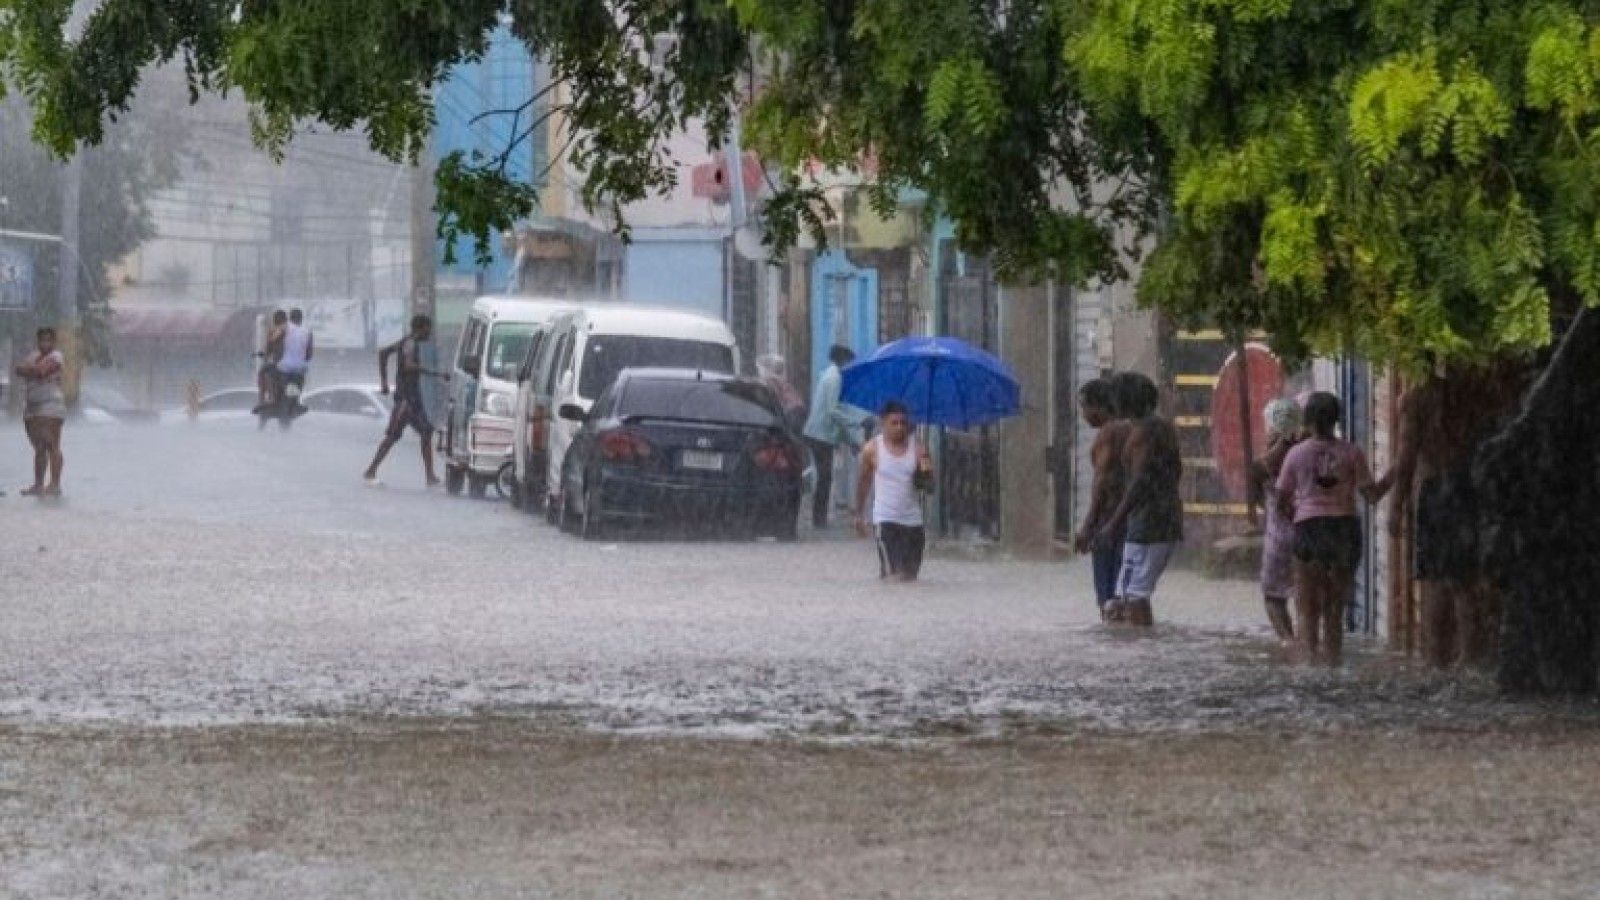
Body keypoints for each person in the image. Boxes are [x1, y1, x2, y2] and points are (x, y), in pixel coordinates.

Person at [1389, 362, 1525, 669]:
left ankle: (1438, 660)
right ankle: (1469, 658)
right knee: (1465, 580)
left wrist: (1396, 506)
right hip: (1471, 490)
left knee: (1438, 580)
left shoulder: (1418, 399)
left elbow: (1406, 457)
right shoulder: (1481, 397)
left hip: (1439, 492)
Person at [1276, 392, 1392, 665]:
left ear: (1308, 421)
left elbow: (1281, 500)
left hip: (1309, 528)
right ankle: (1333, 665)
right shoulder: (1351, 453)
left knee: (1308, 609)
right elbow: (1372, 495)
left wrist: (1299, 514)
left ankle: (1311, 666)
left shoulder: (1295, 454)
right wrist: (1397, 470)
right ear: (1336, 419)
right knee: (1335, 607)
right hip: (1343, 529)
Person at [1096, 371, 1183, 626]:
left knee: (1132, 595)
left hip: (1147, 525)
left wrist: (1113, 523)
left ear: (1126, 400)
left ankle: (1142, 654)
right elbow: (1174, 472)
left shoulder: (1145, 433)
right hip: (1163, 520)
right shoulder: (1162, 428)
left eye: (1115, 397)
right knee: (1132, 595)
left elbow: (1139, 482)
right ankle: (1144, 653)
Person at [855, 401, 934, 581]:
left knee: (910, 578)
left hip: (913, 523)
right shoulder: (872, 450)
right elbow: (863, 483)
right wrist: (858, 514)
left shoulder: (918, 450)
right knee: (893, 577)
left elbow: (929, 487)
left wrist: (925, 465)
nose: (899, 427)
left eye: (903, 423)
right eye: (894, 423)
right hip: (885, 521)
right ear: (883, 423)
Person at [1073, 376, 1131, 619]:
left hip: (1109, 521)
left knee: (1108, 599)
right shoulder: (1131, 428)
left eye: (1084, 408)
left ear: (1096, 406)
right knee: (1125, 595)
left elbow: (1103, 480)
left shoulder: (1109, 434)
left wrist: (1088, 525)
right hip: (1129, 519)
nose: (1083, 415)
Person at [364, 315, 441, 487]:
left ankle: (430, 476)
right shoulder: (410, 344)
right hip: (406, 399)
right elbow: (408, 366)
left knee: (426, 432)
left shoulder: (405, 342)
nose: (430, 333)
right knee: (392, 436)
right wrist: (433, 372)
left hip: (413, 397)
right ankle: (371, 469)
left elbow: (383, 353)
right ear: (421, 328)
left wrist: (384, 382)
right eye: (428, 329)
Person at [1251, 398, 1303, 642]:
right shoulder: (1307, 452)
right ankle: (1309, 642)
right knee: (1306, 593)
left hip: (1278, 535)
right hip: (1310, 530)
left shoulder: (1263, 463)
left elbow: (1257, 501)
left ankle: (1287, 641)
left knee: (1273, 596)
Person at [802, 345, 858, 529]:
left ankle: (819, 516)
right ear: (843, 360)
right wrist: (854, 426)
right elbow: (833, 411)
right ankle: (819, 519)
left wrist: (851, 441)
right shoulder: (835, 378)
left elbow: (834, 415)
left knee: (824, 476)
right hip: (820, 435)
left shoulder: (830, 375)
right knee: (824, 477)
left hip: (819, 434)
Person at [16, 327, 66, 497]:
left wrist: (32, 370)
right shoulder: (33, 356)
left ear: (54, 342)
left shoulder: (56, 356)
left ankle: (54, 484)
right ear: (37, 341)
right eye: (42, 340)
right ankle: (38, 484)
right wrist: (33, 370)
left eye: (48, 340)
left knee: (52, 444)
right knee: (39, 446)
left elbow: (41, 372)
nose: (45, 343)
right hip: (32, 407)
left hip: (51, 406)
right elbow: (19, 370)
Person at [275, 308, 315, 415]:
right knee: (299, 382)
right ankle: (296, 401)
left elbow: (274, 341)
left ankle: (276, 400)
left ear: (290, 318)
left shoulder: (284, 328)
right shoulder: (308, 332)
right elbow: (309, 354)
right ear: (301, 319)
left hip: (284, 367)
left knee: (273, 375)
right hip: (299, 369)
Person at [756, 353, 807, 433]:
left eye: (759, 368)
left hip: (791, 413)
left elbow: (775, 400)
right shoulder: (781, 380)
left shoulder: (771, 380)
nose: (759, 372)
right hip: (798, 411)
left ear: (766, 368)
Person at [253, 309, 288, 413]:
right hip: (295, 364)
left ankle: (263, 399)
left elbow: (268, 349)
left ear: (275, 320)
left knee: (262, 372)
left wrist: (266, 354)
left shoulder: (275, 330)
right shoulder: (293, 330)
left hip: (281, 363)